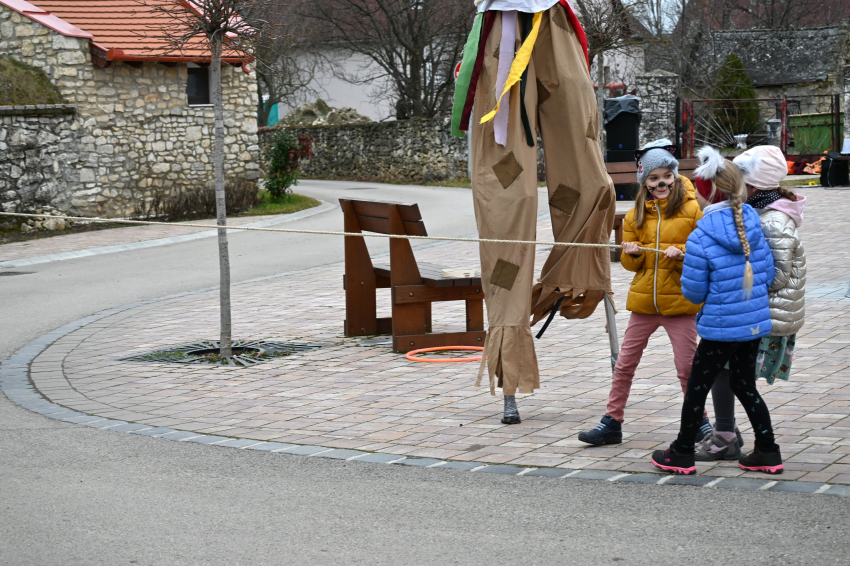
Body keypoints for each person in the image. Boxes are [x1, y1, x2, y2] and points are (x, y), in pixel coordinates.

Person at [452, 0, 615, 424]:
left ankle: (573, 278)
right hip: (502, 31)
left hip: (552, 19)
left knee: (588, 181)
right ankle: (509, 363)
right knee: (508, 204)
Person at [651, 146, 783, 475]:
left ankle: (681, 451)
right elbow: (767, 276)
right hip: (753, 325)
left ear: (707, 191)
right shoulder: (753, 223)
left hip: (720, 328)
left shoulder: (701, 236)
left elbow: (694, 292)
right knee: (744, 386)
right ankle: (767, 449)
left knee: (697, 387)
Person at [578, 139, 710, 446]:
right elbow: (629, 265)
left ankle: (701, 421)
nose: (661, 182)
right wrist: (632, 252)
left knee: (687, 368)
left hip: (680, 304)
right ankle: (612, 422)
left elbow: (704, 253)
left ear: (675, 175)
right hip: (644, 304)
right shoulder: (635, 213)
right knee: (625, 364)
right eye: (653, 178)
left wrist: (684, 254)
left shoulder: (694, 208)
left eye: (666, 175)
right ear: (644, 182)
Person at [695, 145, 806, 461]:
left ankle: (730, 437)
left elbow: (778, 275)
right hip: (750, 311)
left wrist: (730, 279)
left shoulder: (773, 220)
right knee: (729, 375)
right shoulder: (757, 211)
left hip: (763, 315)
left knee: (730, 375)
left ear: (753, 185)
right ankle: (729, 433)